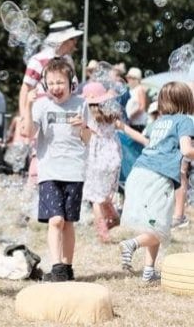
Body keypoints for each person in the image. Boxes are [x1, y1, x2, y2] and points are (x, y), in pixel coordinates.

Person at [117, 82, 194, 283]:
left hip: (140, 171)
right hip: (158, 176)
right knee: (162, 229)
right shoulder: (185, 120)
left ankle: (149, 272)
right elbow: (186, 150)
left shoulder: (160, 121)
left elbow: (147, 142)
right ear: (187, 100)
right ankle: (131, 244)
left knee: (155, 223)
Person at [21, 59, 90, 282]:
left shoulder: (81, 104)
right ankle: (57, 266)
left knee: (68, 222)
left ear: (72, 83)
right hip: (49, 170)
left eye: (60, 82)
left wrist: (83, 127)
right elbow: (30, 134)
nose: (55, 87)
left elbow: (87, 139)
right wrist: (29, 106)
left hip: (74, 170)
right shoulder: (42, 106)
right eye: (50, 83)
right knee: (56, 220)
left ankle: (68, 267)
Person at [80, 82, 121, 243]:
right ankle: (114, 218)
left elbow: (83, 139)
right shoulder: (111, 116)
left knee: (96, 199)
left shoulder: (87, 118)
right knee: (104, 193)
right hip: (112, 160)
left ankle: (102, 232)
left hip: (95, 160)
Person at [18, 20, 83, 120]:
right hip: (43, 115)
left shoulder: (68, 60)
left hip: (65, 114)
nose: (75, 42)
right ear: (63, 40)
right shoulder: (38, 60)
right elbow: (26, 88)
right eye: (73, 38)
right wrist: (23, 117)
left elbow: (73, 88)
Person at [124, 67, 148, 131]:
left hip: (139, 124)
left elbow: (142, 107)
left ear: (135, 79)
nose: (127, 80)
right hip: (132, 123)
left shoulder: (140, 89)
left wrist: (131, 116)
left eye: (129, 78)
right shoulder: (131, 90)